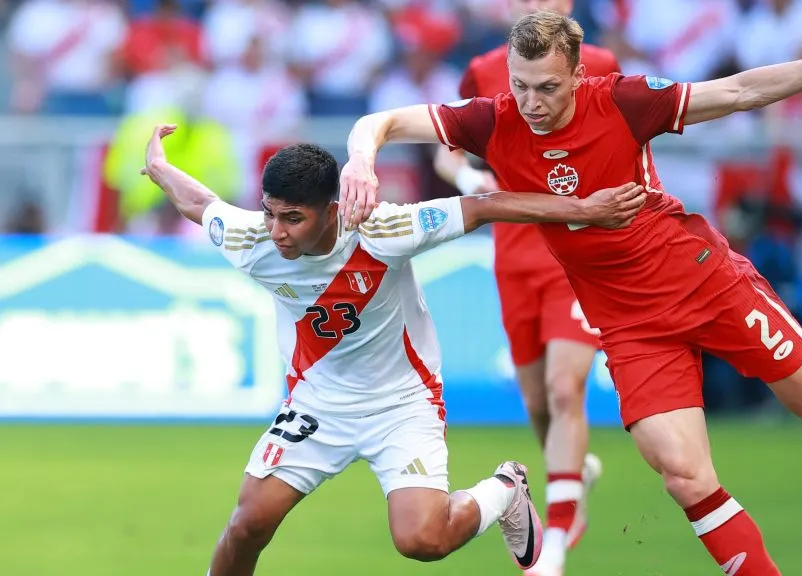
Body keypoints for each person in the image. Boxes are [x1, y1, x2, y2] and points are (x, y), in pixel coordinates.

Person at [339, 2, 802, 575]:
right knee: (685, 476)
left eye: (548, 87)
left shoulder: (623, 100)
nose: (531, 102)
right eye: (521, 85)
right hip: (629, 326)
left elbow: (739, 91)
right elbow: (382, 120)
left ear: (579, 73)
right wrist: (361, 159)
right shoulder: (492, 119)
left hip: (701, 280)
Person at [138, 123, 648, 575]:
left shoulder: (382, 230)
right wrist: (160, 168)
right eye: (270, 213)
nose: (277, 232)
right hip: (317, 405)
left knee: (422, 541)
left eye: (292, 218)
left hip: (401, 405)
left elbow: (486, 205)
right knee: (248, 524)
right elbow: (202, 205)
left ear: (332, 209)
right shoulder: (254, 239)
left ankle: (505, 490)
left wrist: (584, 209)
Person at [432, 1, 619, 570]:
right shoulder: (484, 70)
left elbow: (621, 137)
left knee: (566, 390)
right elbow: (448, 156)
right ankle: (572, 472)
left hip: (576, 257)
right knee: (538, 401)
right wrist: (471, 177)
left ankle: (556, 536)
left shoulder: (601, 62)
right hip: (513, 255)